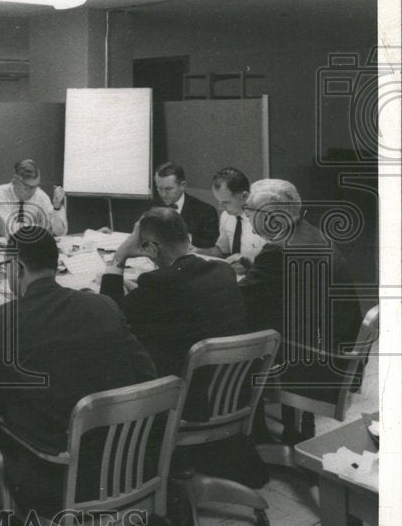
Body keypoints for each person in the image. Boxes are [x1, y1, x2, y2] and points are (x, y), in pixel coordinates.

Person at [0, 227, 156, 512]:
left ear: (17, 267)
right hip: (125, 455)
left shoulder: (6, 319)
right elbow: (147, 374)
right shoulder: (104, 305)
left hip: (57, 464)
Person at [238, 179, 363, 441]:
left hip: (314, 364)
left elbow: (238, 299)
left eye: (250, 214)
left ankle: (250, 437)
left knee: (233, 345)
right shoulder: (310, 232)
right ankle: (281, 431)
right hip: (335, 353)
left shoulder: (278, 250)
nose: (248, 221)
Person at [100, 207, 247, 413]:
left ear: (152, 249)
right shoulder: (223, 270)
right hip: (233, 393)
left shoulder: (157, 285)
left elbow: (111, 316)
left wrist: (120, 256)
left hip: (186, 404)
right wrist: (143, 292)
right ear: (186, 237)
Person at [0, 158, 67, 243]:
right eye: (28, 188)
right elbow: (11, 231)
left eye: (36, 186)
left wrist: (57, 208)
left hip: (27, 249)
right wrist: (40, 230)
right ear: (15, 180)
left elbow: (59, 233)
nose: (32, 192)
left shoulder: (40, 195)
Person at [200, 167, 267, 268]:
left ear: (244, 196)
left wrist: (247, 263)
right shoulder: (227, 216)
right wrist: (199, 252)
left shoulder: (265, 219)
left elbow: (275, 263)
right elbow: (222, 250)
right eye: (219, 202)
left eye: (226, 202)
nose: (221, 207)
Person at [152, 161, 219, 249]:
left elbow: (211, 245)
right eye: (159, 188)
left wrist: (185, 237)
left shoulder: (206, 211)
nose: (163, 194)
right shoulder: (151, 207)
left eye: (168, 189)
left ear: (182, 185)